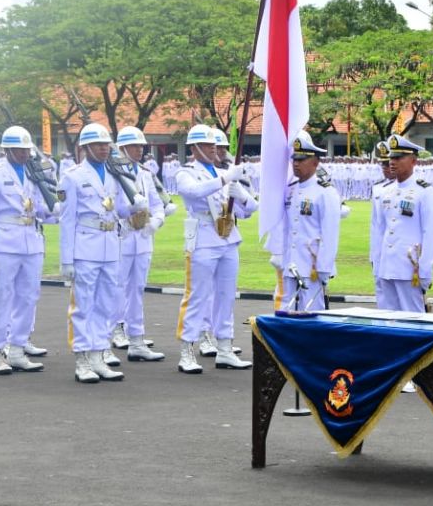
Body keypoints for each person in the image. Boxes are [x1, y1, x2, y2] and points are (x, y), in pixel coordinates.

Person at [59, 123, 144, 384]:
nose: (104, 148)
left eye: (106, 144)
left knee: (106, 304)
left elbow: (117, 210)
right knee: (84, 305)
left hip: (110, 245)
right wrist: (67, 259)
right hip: (85, 246)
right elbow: (67, 219)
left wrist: (133, 206)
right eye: (98, 144)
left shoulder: (114, 174)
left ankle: (98, 354)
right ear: (85, 148)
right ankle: (82, 359)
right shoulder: (72, 177)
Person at [174, 125, 257, 374]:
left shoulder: (224, 173)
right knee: (197, 295)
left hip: (228, 238)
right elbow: (192, 192)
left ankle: (225, 347)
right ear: (195, 148)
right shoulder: (186, 173)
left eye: (216, 145)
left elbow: (249, 210)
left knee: (226, 296)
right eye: (209, 145)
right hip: (203, 239)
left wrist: (241, 194)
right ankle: (187, 349)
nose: (214, 149)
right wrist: (225, 179)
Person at [0, 126, 55, 375]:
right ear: (7, 150)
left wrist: (53, 210)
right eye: (19, 150)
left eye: (26, 150)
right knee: (1, 298)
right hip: (5, 243)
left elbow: (41, 207)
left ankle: (18, 348)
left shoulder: (33, 173)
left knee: (29, 297)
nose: (24, 154)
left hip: (31, 241)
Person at [111, 126, 169, 363]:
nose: (139, 149)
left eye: (140, 146)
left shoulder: (145, 173)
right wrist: (129, 210)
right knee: (117, 287)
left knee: (137, 289)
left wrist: (156, 220)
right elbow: (111, 206)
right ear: (122, 148)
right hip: (122, 235)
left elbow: (156, 203)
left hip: (143, 237)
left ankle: (136, 339)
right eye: (134, 146)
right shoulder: (114, 173)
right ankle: (116, 329)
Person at [266, 130, 341, 311]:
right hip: (290, 262)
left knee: (312, 313)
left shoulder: (325, 192)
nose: (296, 164)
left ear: (315, 162)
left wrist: (323, 269)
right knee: (285, 311)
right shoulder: (290, 190)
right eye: (294, 159)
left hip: (312, 266)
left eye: (302, 160)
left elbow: (330, 235)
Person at [372, 134, 433, 313]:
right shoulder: (386, 191)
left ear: (413, 161)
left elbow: (430, 233)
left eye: (398, 157)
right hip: (387, 267)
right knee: (386, 320)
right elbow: (379, 231)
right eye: (391, 157)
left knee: (413, 321)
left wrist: (425, 271)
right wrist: (377, 265)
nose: (392, 162)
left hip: (410, 269)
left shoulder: (424, 192)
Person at [369, 140, 395, 309]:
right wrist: (373, 254)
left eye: (388, 163)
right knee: (383, 301)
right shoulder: (378, 188)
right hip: (380, 252)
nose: (385, 167)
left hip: (398, 254)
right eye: (383, 164)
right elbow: (375, 225)